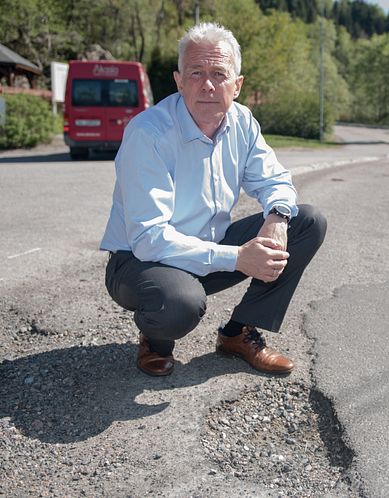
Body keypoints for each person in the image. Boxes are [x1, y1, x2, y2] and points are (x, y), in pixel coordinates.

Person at [100, 22, 327, 377]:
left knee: (306, 222)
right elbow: (148, 239)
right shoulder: (149, 134)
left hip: (206, 248)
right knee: (180, 302)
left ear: (237, 85)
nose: (207, 84)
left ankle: (238, 333)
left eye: (219, 73)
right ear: (178, 81)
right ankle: (156, 340)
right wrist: (238, 257)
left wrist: (278, 217)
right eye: (196, 72)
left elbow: (275, 179)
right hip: (138, 262)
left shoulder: (242, 122)